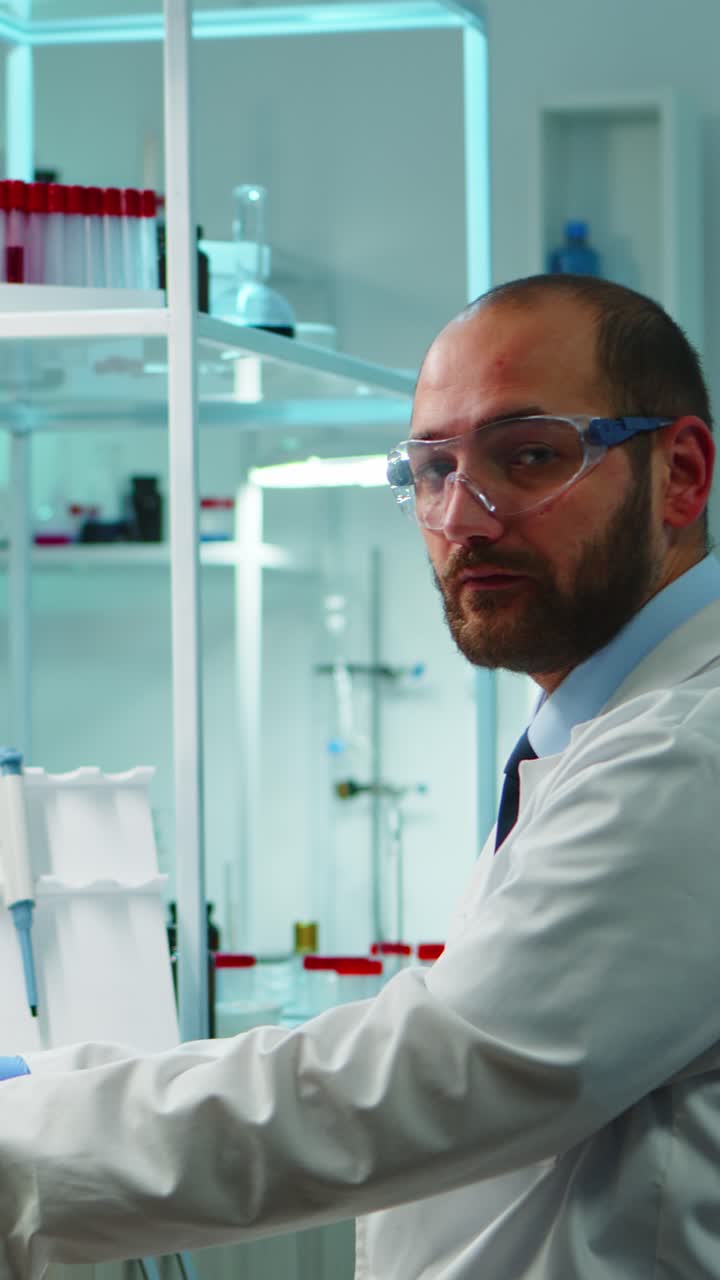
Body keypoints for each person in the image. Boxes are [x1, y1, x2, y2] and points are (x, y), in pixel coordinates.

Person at [2, 272, 720, 1280]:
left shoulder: (690, 750)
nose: (464, 517)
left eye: (529, 456)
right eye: (431, 467)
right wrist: (38, 1079)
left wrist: (21, 1146)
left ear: (681, 474)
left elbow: (409, 1081)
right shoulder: (605, 720)